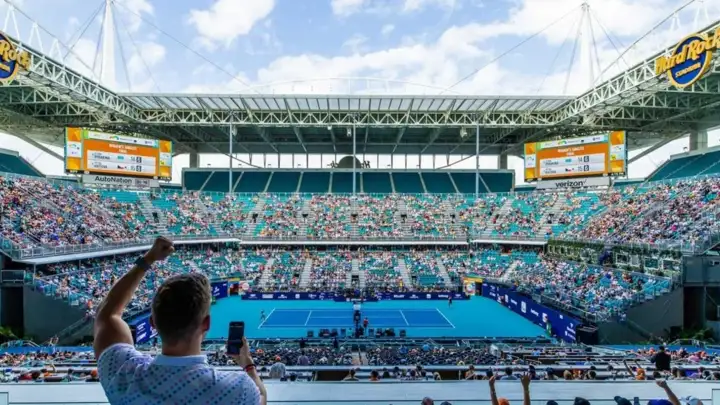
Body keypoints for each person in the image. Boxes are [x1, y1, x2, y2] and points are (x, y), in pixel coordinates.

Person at [94, 236, 267, 405]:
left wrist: (148, 259)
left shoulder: (122, 374)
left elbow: (107, 314)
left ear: (153, 323)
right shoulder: (239, 390)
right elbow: (261, 397)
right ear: (206, 323)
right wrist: (248, 364)